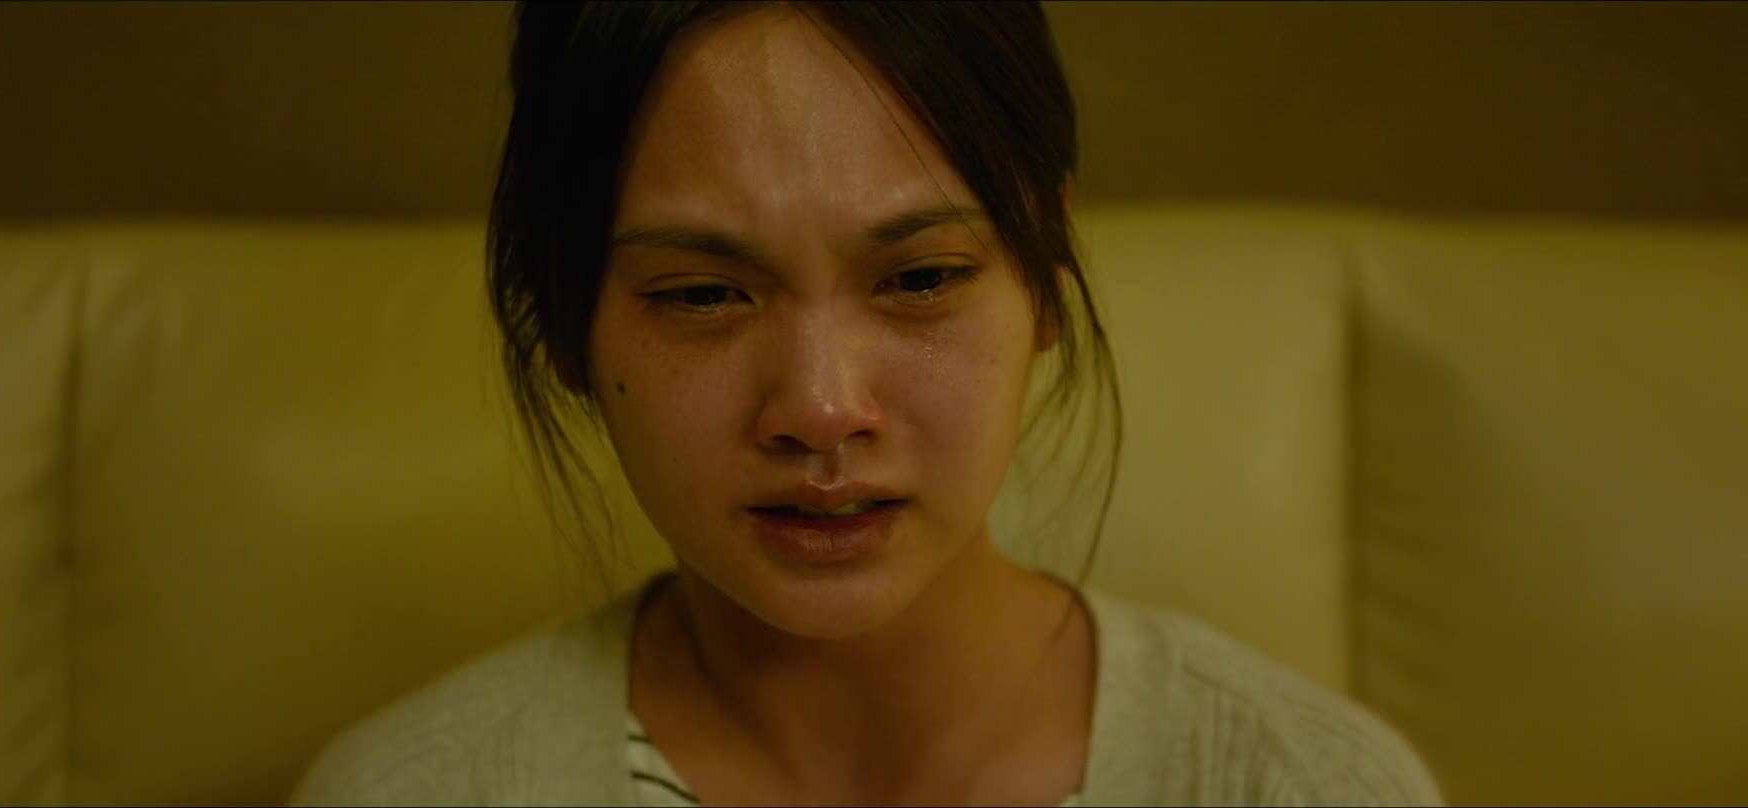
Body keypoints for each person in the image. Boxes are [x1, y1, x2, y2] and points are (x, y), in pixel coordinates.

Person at [291, 2, 1442, 805]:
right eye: (703, 293)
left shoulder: (1301, 783)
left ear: (1047, 273)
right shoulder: (415, 791)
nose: (822, 407)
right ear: (567, 319)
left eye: (921, 278)